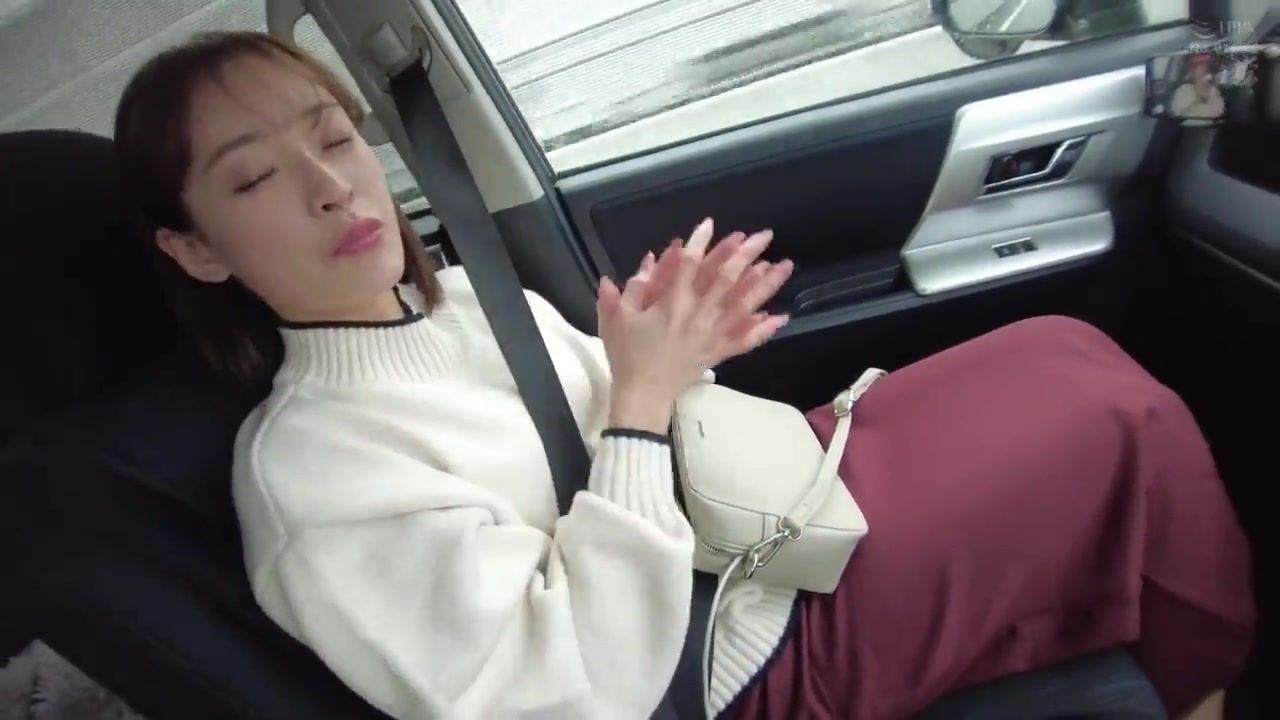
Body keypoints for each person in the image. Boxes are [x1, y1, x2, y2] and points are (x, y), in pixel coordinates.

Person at [111, 31, 1255, 720]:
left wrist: (673, 356)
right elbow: (569, 690)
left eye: (332, 136)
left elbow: (641, 434)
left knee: (1059, 353)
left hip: (747, 528)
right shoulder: (313, 475)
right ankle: (1199, 683)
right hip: (723, 662)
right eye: (254, 179)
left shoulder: (458, 304)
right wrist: (645, 397)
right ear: (196, 249)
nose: (329, 187)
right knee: (1112, 418)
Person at [1169, 53, 1225, 121]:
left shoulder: (1214, 91)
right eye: (1195, 65)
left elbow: (1216, 114)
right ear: (1190, 72)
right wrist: (1199, 91)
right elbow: (1182, 117)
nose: (1200, 68)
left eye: (1204, 64)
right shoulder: (1182, 91)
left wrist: (1208, 93)